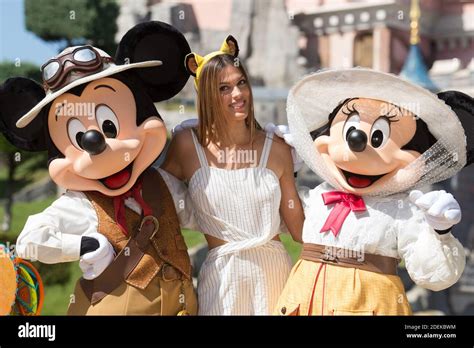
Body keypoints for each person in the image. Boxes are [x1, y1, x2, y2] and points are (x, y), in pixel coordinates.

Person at [160, 36, 304, 315]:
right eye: (223, 88)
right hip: (221, 279)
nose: (237, 94)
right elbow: (154, 198)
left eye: (241, 83)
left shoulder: (277, 147)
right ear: (206, 96)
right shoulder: (187, 146)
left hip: (275, 274)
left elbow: (299, 230)